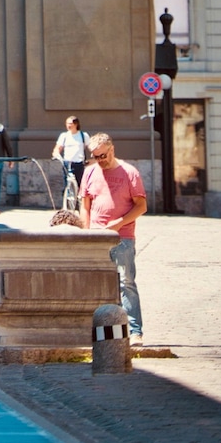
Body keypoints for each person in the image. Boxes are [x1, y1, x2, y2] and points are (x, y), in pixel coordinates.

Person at [80, 131, 147, 344]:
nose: (100, 161)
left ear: (112, 149)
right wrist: (85, 231)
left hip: (122, 238)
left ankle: (135, 331)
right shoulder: (90, 172)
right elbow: (85, 205)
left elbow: (141, 206)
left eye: (103, 156)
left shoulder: (130, 172)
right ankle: (97, 332)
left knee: (126, 283)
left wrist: (119, 223)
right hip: (96, 238)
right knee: (94, 284)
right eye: (96, 156)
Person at [52, 116, 90, 210]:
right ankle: (67, 204)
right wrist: (56, 154)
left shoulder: (83, 135)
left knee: (80, 184)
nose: (68, 126)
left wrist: (93, 158)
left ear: (76, 124)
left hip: (79, 163)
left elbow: (90, 147)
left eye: (70, 124)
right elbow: (58, 148)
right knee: (67, 183)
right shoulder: (64, 136)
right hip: (67, 162)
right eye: (67, 123)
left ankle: (81, 204)